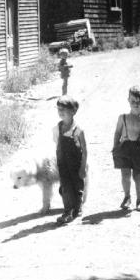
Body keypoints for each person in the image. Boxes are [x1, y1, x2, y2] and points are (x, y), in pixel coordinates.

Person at [112, 86, 140, 212]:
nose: (136, 104)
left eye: (139, 102)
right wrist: (115, 146)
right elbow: (117, 132)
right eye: (133, 101)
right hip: (124, 149)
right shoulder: (123, 117)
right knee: (125, 175)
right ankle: (127, 197)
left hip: (138, 151)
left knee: (138, 177)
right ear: (128, 100)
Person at [53, 96, 87, 224]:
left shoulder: (78, 130)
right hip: (63, 164)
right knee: (65, 188)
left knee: (76, 187)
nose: (60, 112)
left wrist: (83, 167)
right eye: (59, 109)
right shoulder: (59, 127)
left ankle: (77, 208)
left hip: (75, 164)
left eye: (64, 109)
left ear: (73, 111)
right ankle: (67, 211)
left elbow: (84, 150)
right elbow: (57, 144)